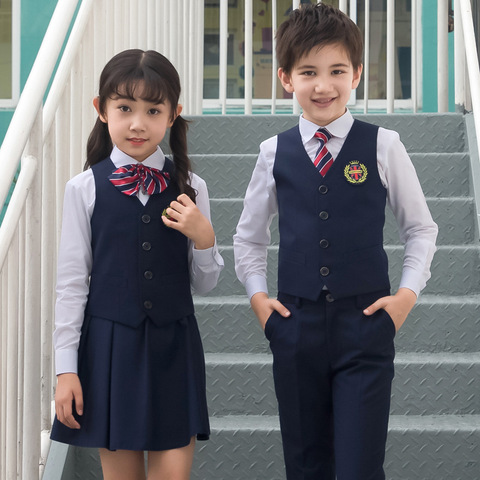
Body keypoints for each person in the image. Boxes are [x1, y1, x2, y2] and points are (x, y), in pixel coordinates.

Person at [233, 4, 438, 480]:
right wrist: (260, 302)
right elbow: (249, 238)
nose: (323, 85)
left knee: (359, 467)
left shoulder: (384, 145)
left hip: (365, 327)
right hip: (295, 327)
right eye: (308, 72)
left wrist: (405, 298)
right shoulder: (272, 153)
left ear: (357, 74)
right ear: (286, 78)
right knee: (305, 466)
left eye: (337, 71)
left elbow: (421, 228)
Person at [51, 49, 224, 480]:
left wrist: (205, 239)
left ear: (172, 115)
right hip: (111, 349)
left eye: (153, 110)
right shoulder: (83, 188)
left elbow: (204, 284)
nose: (137, 123)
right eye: (124, 108)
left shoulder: (191, 186)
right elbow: (72, 285)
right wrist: (65, 369)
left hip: (174, 346)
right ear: (101, 109)